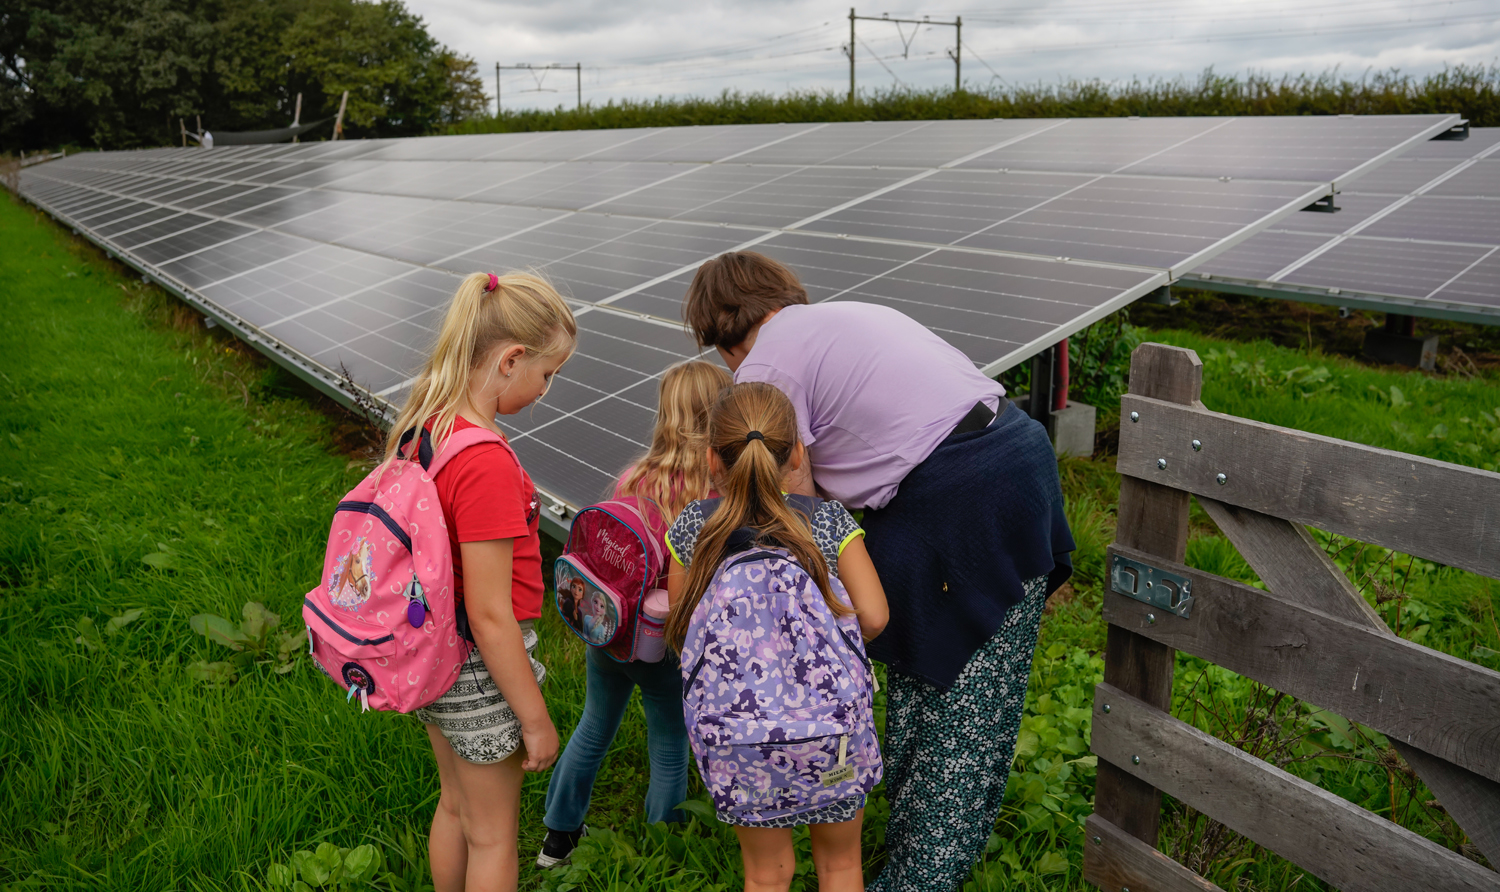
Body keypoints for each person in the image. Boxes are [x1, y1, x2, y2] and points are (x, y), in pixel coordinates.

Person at [683, 252, 1074, 892]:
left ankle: (922, 874)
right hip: (1011, 461)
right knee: (953, 690)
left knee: (957, 707)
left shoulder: (766, 368)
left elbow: (793, 497)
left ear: (719, 335)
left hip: (959, 496)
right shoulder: (843, 318)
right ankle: (910, 857)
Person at [385, 270, 576, 892]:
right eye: (547, 373)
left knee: (456, 805)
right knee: (494, 833)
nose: (547, 389)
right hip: (476, 662)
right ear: (510, 359)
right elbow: (491, 614)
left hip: (431, 651)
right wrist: (536, 719)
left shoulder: (428, 428)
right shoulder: (487, 461)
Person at [663, 382, 889, 892]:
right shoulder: (826, 523)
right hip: (831, 732)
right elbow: (874, 616)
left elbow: (680, 626)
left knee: (765, 876)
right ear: (797, 453)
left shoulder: (694, 530)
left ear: (711, 458)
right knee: (840, 866)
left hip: (738, 738)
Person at [537, 360, 732, 868]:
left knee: (594, 726)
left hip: (609, 630)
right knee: (669, 746)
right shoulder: (716, 496)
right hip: (665, 642)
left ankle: (557, 838)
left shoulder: (634, 476)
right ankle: (662, 853)